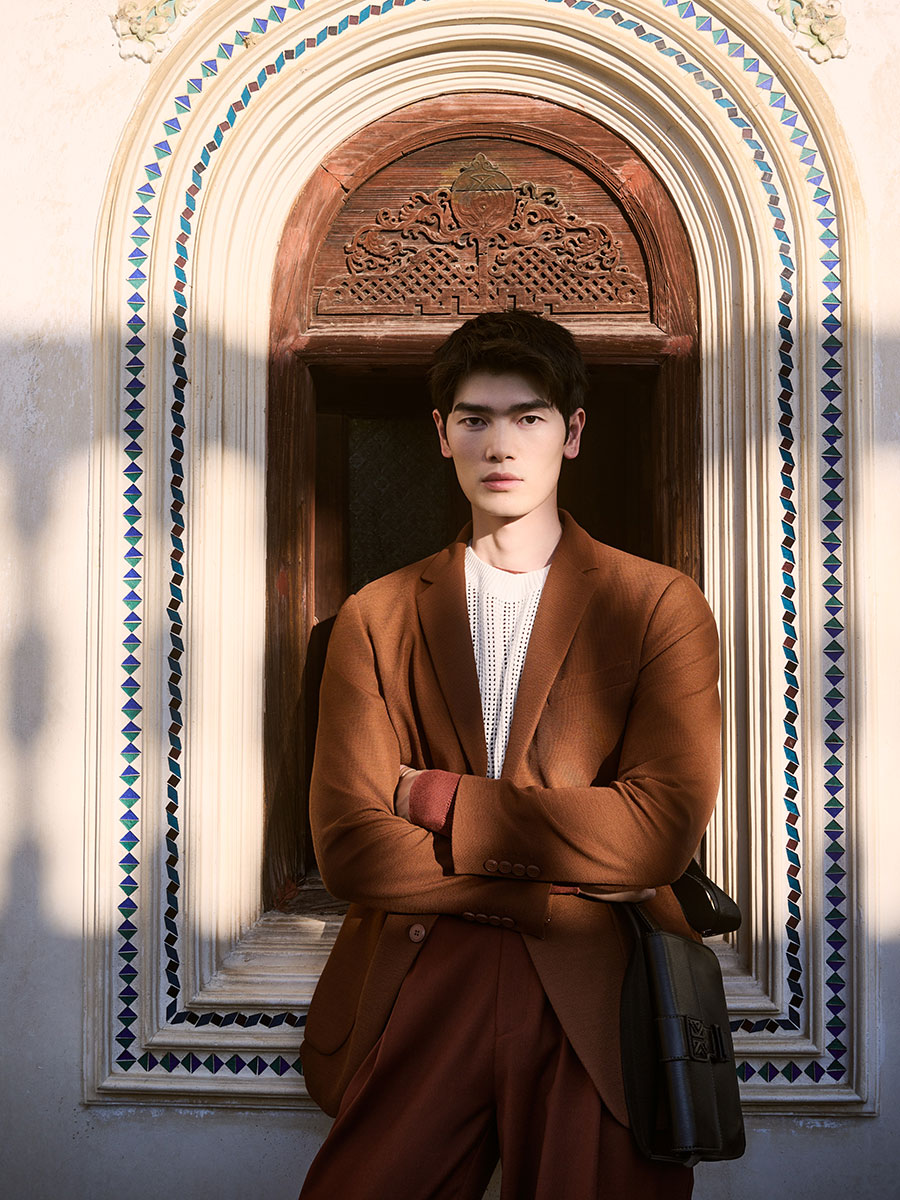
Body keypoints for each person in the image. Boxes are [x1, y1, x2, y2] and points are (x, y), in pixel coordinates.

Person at [298, 311, 721, 1199]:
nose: (500, 444)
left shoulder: (658, 604)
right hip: (421, 976)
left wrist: (441, 799)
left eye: (529, 417)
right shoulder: (374, 616)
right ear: (442, 433)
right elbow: (350, 849)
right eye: (475, 418)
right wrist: (558, 878)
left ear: (572, 432)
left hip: (596, 991)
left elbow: (656, 834)